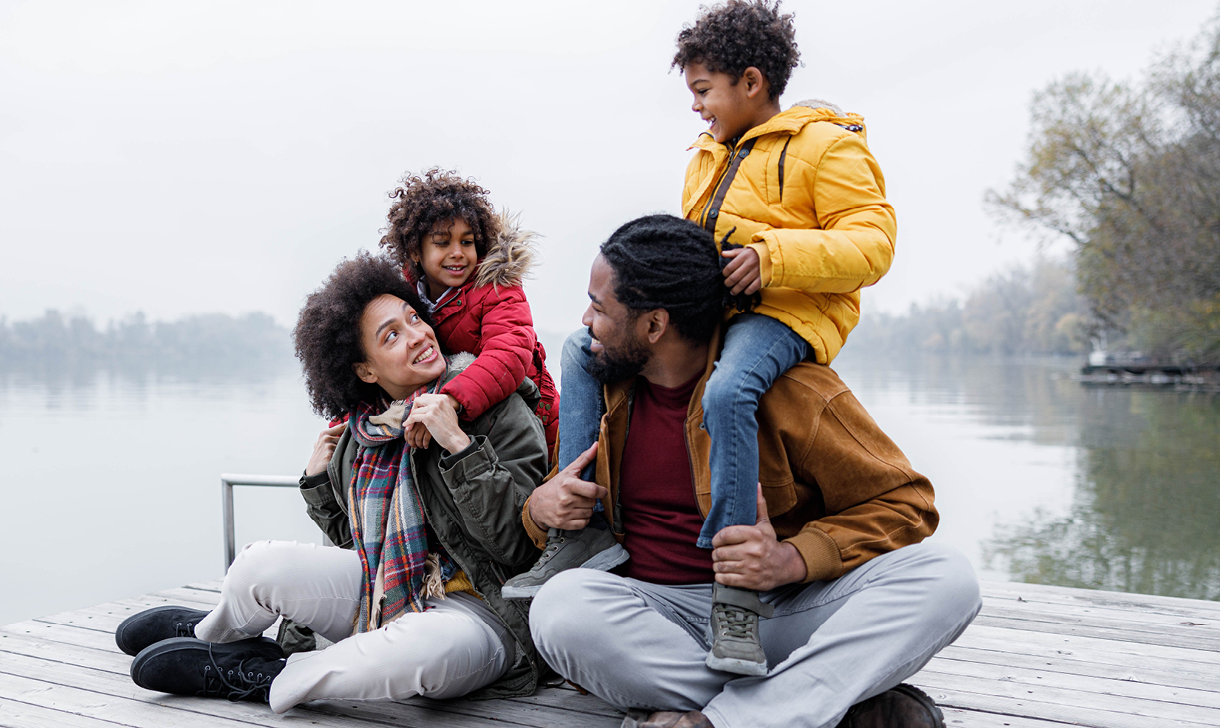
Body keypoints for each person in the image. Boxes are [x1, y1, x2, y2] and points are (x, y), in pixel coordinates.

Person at [506, 1, 897, 675]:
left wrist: (774, 258)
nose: (695, 108)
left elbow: (873, 244)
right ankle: (584, 527)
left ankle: (736, 588)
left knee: (727, 394)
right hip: (722, 314)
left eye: (702, 90)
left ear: (750, 82)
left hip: (785, 317)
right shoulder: (707, 156)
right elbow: (693, 250)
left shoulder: (827, 144)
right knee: (576, 351)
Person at [524, 216, 980, 728]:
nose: (586, 319)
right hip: (654, 616)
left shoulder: (791, 391)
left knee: (948, 578)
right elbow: (564, 502)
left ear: (654, 325)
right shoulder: (604, 387)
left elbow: (908, 505)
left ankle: (716, 719)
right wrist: (540, 508)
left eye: (600, 307)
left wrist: (790, 560)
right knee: (560, 610)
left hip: (774, 610)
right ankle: (810, 701)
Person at [115, 253, 549, 713]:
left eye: (415, 318)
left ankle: (267, 677)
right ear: (366, 370)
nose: (419, 335)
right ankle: (214, 635)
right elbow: (354, 541)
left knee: (421, 652)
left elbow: (520, 550)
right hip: (389, 590)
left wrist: (460, 447)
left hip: (483, 611)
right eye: (392, 336)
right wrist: (320, 482)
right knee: (259, 565)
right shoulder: (365, 431)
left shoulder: (500, 409)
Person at [379, 168, 561, 462]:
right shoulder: (403, 296)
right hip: (468, 418)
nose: (458, 253)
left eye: (467, 242)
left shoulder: (498, 287)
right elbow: (377, 360)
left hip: (531, 420)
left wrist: (451, 400)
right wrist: (344, 424)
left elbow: (509, 353)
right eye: (442, 242)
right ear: (415, 250)